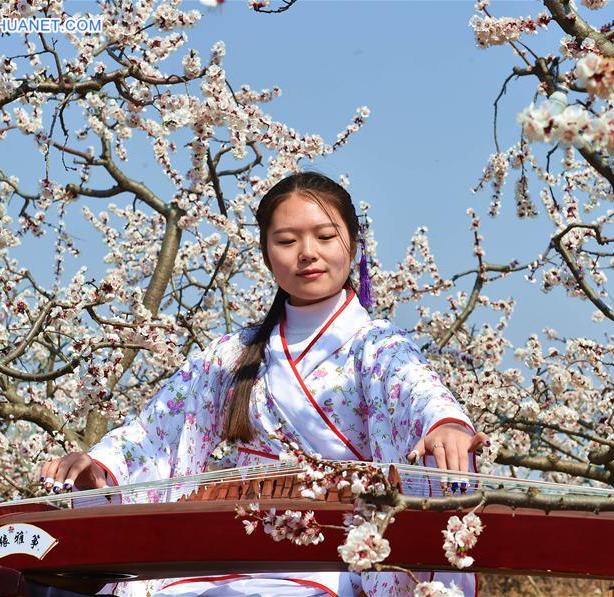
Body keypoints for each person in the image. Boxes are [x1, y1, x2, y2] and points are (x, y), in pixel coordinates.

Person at [40, 171, 488, 596]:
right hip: (232, 543)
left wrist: (443, 426)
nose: (307, 252)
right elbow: (156, 433)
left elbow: (417, 392)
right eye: (287, 240)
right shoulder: (231, 355)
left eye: (325, 236)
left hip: (337, 555)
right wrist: (103, 467)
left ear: (353, 243)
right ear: (266, 252)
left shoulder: (377, 346)